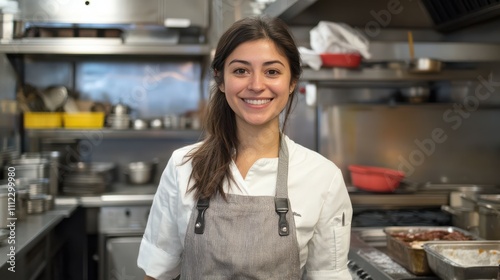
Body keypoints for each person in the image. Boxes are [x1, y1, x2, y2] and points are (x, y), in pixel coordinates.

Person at [137, 15, 353, 280]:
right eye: (241, 70)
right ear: (220, 79)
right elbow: (157, 274)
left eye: (272, 71)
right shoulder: (184, 166)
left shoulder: (323, 177)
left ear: (292, 81)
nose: (256, 85)